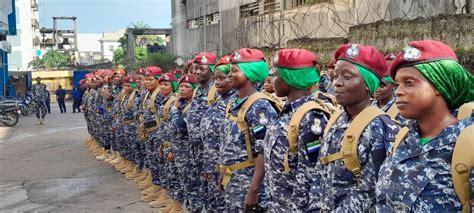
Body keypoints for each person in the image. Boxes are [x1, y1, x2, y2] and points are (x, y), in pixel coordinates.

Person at [376, 40, 474, 212]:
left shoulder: (467, 145)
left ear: (439, 85)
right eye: (398, 83)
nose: (398, 91)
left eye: (409, 82)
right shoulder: (403, 136)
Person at [315, 43, 399, 211]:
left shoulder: (378, 127)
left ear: (368, 84)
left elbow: (370, 192)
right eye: (336, 76)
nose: (337, 83)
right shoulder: (337, 119)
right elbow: (319, 172)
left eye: (347, 77)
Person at [264, 48, 333, 211]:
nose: (273, 80)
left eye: (277, 75)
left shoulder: (311, 117)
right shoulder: (288, 109)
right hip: (278, 204)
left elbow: (309, 175)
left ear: (290, 78)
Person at [219, 48, 279, 211]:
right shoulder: (234, 101)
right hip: (233, 181)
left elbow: (263, 152)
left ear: (250, 74)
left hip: (248, 183)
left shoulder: (260, 106)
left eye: (234, 71)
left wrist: (253, 190)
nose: (229, 75)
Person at [199, 55, 236, 211]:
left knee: (222, 204)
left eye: (222, 78)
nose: (217, 82)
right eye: (216, 78)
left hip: (224, 166)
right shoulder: (220, 98)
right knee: (213, 201)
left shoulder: (234, 101)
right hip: (212, 161)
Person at [184, 52, 217, 212]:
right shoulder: (198, 90)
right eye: (194, 68)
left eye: (201, 68)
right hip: (196, 150)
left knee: (214, 193)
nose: (196, 72)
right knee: (203, 189)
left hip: (210, 152)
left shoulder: (216, 91)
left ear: (211, 70)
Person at [170, 74, 197, 212]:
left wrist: (174, 110)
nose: (183, 89)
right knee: (184, 182)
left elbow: (179, 127)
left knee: (191, 185)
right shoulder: (182, 104)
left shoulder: (193, 106)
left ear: (194, 89)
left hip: (188, 153)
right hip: (179, 150)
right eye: (181, 86)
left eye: (187, 86)